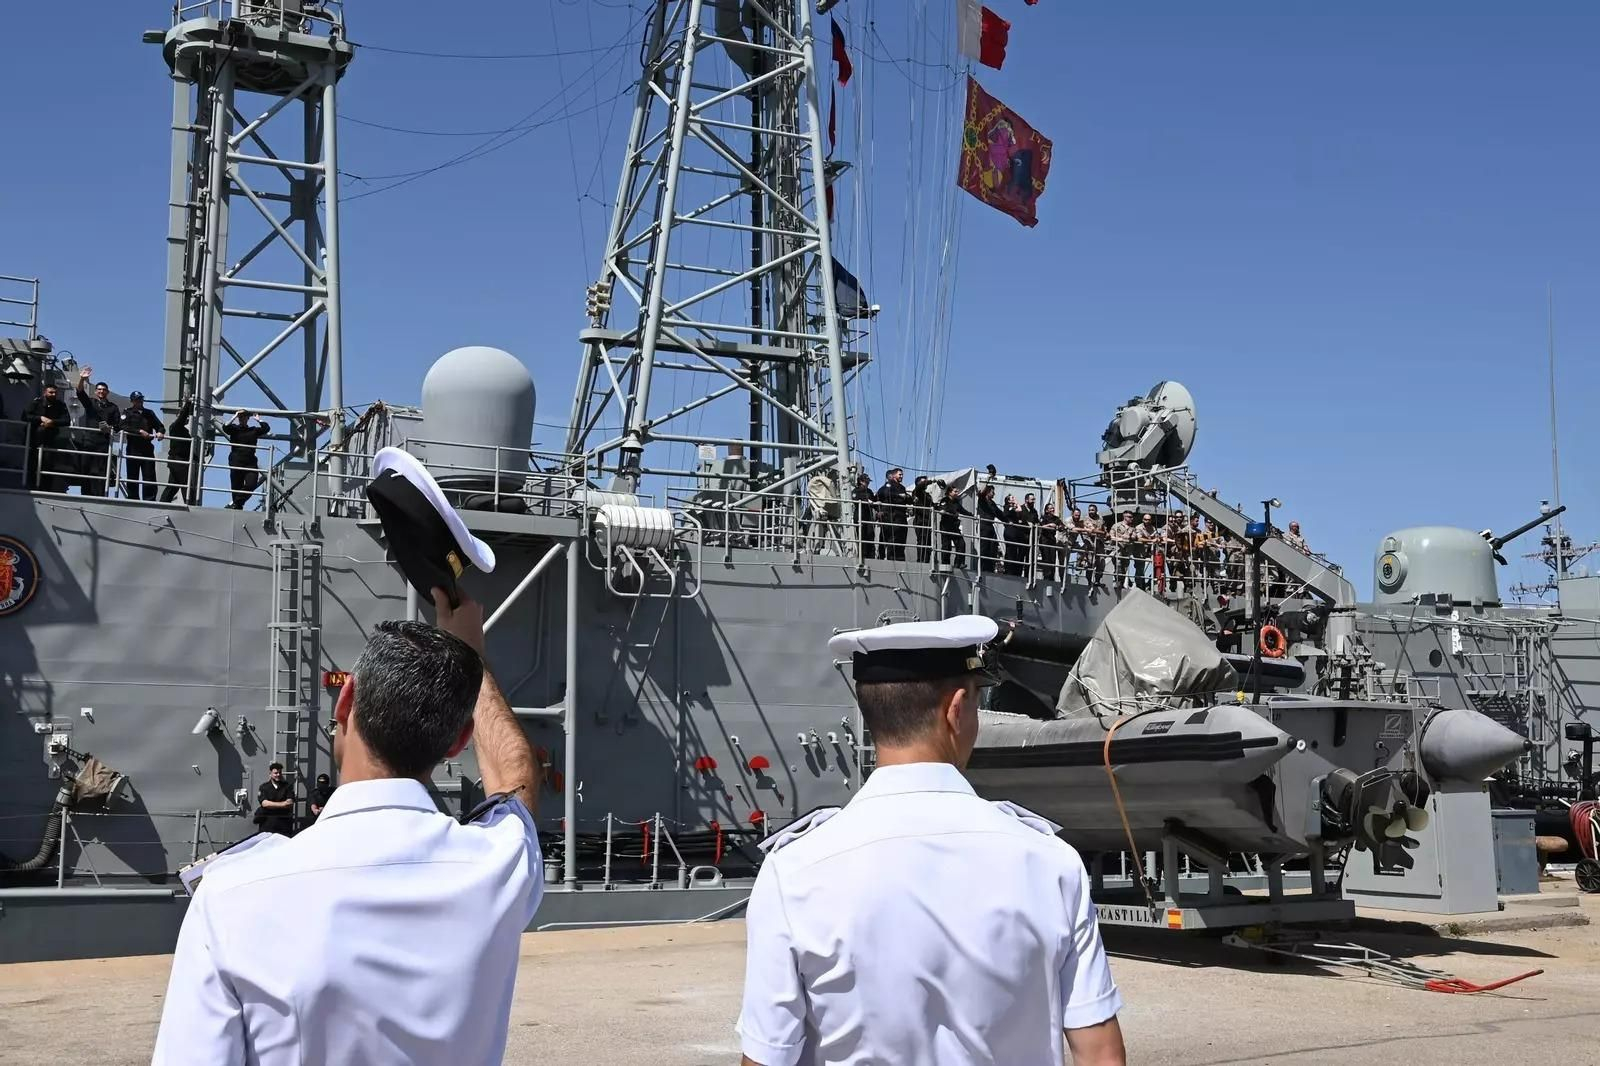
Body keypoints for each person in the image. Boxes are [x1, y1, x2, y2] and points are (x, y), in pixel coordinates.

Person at [153, 593, 544, 1065]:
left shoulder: (229, 896)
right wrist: (470, 652)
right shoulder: (498, 866)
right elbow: (515, 774)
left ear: (346, 702)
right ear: (459, 740)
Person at [736, 617, 1126, 1066]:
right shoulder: (1050, 861)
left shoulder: (793, 872)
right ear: (957, 709)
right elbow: (1100, 1055)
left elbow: (767, 1057)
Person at [75, 367, 120, 496]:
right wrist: (82, 379)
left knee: (100, 471)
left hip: (103, 443)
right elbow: (80, 393)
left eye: (104, 390)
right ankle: (86, 495)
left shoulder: (113, 408)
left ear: (108, 392)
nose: (101, 391)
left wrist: (109, 428)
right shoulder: (91, 403)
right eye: (99, 389)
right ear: (95, 392)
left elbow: (118, 425)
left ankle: (99, 495)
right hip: (89, 440)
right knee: (86, 469)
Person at [21, 382, 69, 492]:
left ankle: (44, 488)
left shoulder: (60, 405)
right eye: (50, 392)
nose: (53, 394)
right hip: (34, 440)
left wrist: (52, 422)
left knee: (47, 464)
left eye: (55, 393)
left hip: (50, 440)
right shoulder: (36, 403)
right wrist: (40, 418)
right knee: (32, 464)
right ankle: (31, 486)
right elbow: (25, 416)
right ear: (45, 392)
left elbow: (66, 421)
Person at [118, 391, 165, 501]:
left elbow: (160, 426)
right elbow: (122, 426)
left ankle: (149, 499)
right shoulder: (127, 413)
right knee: (132, 476)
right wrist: (139, 431)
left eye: (140, 399)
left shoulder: (149, 413)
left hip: (147, 449)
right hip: (133, 449)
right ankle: (133, 499)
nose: (139, 401)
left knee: (149, 476)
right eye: (136, 399)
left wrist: (160, 432)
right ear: (132, 401)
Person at [222, 409, 271, 510]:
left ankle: (236, 503)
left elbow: (266, 428)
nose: (242, 419)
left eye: (244, 417)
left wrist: (258, 420)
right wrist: (234, 416)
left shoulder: (253, 430)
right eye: (240, 417)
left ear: (248, 418)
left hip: (250, 463)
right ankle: (237, 506)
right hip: (236, 462)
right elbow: (225, 427)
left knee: (251, 484)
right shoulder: (234, 429)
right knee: (236, 487)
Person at [160, 400, 195, 504]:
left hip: (180, 460)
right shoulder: (175, 427)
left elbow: (185, 447)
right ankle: (191, 505)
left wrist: (195, 457)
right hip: (178, 461)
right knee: (186, 485)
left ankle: (163, 503)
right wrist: (188, 404)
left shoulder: (184, 432)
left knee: (172, 486)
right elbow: (181, 418)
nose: (186, 418)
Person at [875, 468, 911, 562]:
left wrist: (907, 497)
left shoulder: (902, 487)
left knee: (901, 538)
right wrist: (899, 496)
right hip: (890, 517)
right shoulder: (888, 486)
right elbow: (884, 495)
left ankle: (900, 558)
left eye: (902, 475)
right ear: (894, 475)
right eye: (900, 474)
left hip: (901, 517)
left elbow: (907, 498)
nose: (901, 476)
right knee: (891, 539)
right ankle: (889, 558)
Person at [254, 762, 295, 836]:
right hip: (267, 824)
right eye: (276, 773)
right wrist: (283, 804)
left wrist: (271, 804)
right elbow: (265, 804)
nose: (278, 775)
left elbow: (289, 803)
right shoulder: (264, 787)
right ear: (270, 774)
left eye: (280, 773)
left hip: (284, 824)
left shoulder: (287, 786)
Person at [936, 480, 969, 568]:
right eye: (955, 491)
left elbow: (962, 510)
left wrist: (972, 515)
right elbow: (943, 508)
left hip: (954, 527)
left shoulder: (956, 502)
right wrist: (954, 512)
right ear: (950, 492)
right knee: (946, 547)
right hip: (946, 527)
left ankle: (958, 563)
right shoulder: (944, 500)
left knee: (961, 544)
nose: (957, 493)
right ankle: (945, 565)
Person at [976, 485, 1003, 572]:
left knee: (993, 547)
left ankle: (990, 568)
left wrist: (1007, 521)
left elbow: (999, 513)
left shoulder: (992, 503)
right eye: (992, 492)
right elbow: (980, 494)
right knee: (984, 548)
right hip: (983, 525)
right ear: (988, 492)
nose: (994, 494)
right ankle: (982, 568)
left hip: (990, 526)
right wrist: (988, 478)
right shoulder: (982, 500)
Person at [1107, 511, 1137, 590]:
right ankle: (1118, 583)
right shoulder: (1117, 526)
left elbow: (1134, 537)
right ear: (1125, 517)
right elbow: (1111, 536)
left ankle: (1121, 584)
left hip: (1126, 551)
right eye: (1129, 517)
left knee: (1125, 568)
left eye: (1132, 517)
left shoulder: (1132, 528)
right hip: (1117, 549)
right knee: (1118, 565)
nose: (1131, 519)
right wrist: (1121, 538)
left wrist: (1130, 537)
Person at [1133, 512, 1162, 592]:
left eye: (1149, 520)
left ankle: (1151, 584)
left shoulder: (1152, 528)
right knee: (1140, 569)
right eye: (1145, 519)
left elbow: (1156, 536)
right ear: (1143, 520)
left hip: (1150, 551)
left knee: (1157, 566)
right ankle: (1139, 586)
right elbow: (1139, 538)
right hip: (1140, 551)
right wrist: (1151, 540)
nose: (1147, 521)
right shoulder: (1139, 527)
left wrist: (1158, 539)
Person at [851, 472, 877, 560]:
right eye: (866, 481)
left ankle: (871, 556)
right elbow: (855, 499)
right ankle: (863, 556)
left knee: (870, 535)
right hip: (860, 516)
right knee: (862, 536)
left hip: (868, 516)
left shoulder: (869, 491)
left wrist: (878, 508)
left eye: (868, 481)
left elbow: (873, 502)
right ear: (861, 482)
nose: (868, 483)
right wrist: (866, 500)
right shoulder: (856, 491)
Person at [1039, 501, 1066, 583]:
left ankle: (1052, 577)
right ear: (1047, 510)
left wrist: (1058, 526)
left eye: (1053, 508)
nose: (1053, 509)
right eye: (1050, 508)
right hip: (1044, 540)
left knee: (1053, 559)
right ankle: (1046, 576)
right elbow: (1040, 526)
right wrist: (1050, 525)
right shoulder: (1043, 517)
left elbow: (1062, 526)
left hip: (1052, 540)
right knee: (1046, 558)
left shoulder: (1056, 518)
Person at [910, 475, 934, 563]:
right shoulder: (916, 492)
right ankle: (920, 560)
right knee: (922, 540)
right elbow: (919, 487)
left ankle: (926, 560)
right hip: (920, 520)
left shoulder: (927, 495)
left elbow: (933, 505)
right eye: (924, 481)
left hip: (927, 521)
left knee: (928, 542)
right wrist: (932, 480)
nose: (926, 483)